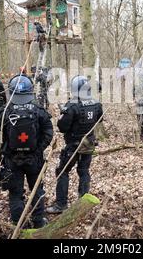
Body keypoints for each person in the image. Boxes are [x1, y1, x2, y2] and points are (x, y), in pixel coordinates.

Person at [0, 75, 53, 228]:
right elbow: (48, 132)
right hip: (34, 160)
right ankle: (39, 222)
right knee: (37, 190)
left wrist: (5, 152)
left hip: (12, 160)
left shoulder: (4, 111)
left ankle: (18, 225)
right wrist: (38, 150)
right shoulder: (38, 109)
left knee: (15, 193)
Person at [46, 76, 103, 214]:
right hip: (88, 144)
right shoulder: (97, 104)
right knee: (84, 171)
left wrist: (63, 114)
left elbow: (62, 127)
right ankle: (83, 201)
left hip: (73, 145)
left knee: (62, 171)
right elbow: (99, 121)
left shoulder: (72, 105)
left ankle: (61, 204)